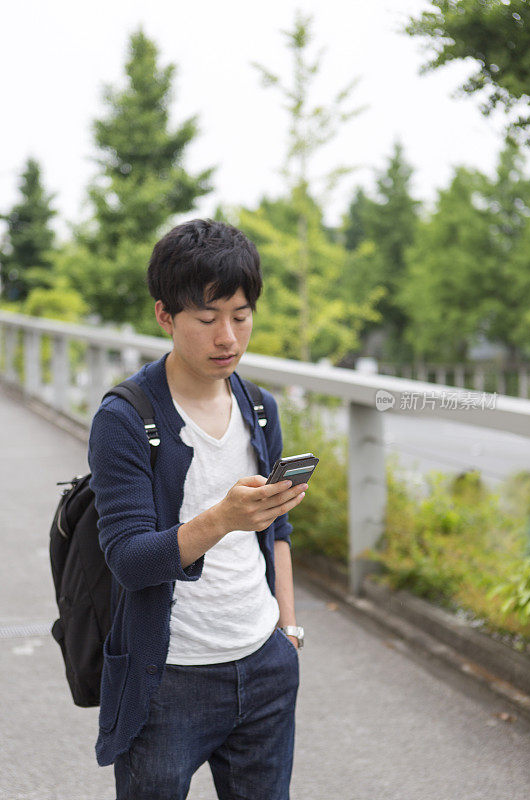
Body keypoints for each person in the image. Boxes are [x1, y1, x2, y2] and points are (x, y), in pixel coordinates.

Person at [88, 218, 307, 799]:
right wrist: (222, 519)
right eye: (207, 320)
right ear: (165, 315)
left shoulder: (258, 407)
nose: (228, 338)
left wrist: (287, 631)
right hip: (168, 680)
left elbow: (277, 529)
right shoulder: (125, 418)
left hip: (264, 664)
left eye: (240, 316)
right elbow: (130, 561)